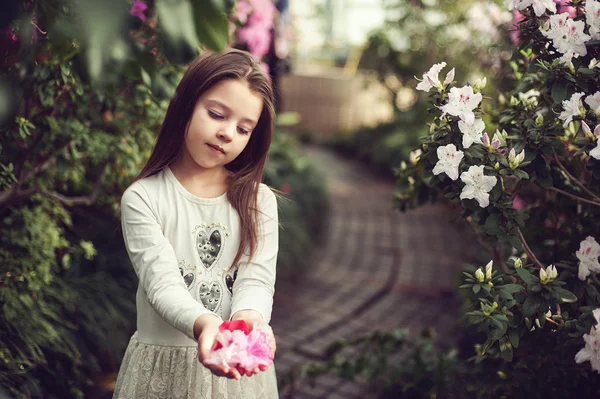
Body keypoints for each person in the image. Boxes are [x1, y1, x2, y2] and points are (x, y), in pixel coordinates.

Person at [113, 49, 279, 399]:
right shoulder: (144, 198)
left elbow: (257, 278)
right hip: (162, 369)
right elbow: (163, 286)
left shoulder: (258, 201)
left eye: (243, 128)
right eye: (217, 114)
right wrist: (206, 326)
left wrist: (250, 323)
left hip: (237, 370)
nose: (227, 133)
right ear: (186, 105)